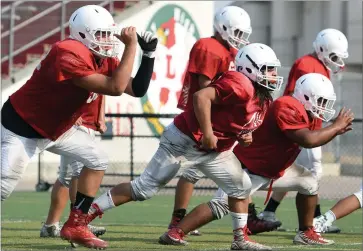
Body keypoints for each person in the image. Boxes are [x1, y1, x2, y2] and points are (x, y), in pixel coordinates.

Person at [85, 43, 283, 250]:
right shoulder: (240, 84)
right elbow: (201, 97)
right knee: (144, 189)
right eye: (267, 69)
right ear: (249, 68)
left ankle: (240, 239)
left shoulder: (261, 96)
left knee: (240, 187)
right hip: (184, 140)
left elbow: (236, 118)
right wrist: (207, 132)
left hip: (213, 150)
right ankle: (83, 216)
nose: (272, 74)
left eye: (273, 69)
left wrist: (244, 134)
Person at [1, 5, 158, 249]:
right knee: (3, 185)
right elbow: (115, 88)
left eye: (109, 34)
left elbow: (135, 89)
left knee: (97, 159)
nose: (107, 41)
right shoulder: (67, 51)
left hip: (57, 127)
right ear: (82, 35)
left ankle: (76, 224)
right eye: (101, 35)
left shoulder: (99, 57)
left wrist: (148, 55)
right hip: (23, 125)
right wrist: (131, 46)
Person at [159, 73, 353, 247]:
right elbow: (308, 140)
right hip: (249, 169)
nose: (324, 107)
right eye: (320, 100)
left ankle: (306, 232)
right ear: (306, 97)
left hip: (274, 171)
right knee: (222, 205)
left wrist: (334, 128)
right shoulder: (287, 106)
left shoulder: (306, 112)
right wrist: (336, 127)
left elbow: (312, 137)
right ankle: (175, 231)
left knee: (309, 182)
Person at [258, 28, 349, 234]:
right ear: (322, 49)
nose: (337, 61)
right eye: (334, 56)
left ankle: (269, 212)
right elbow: (298, 96)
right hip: (301, 128)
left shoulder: (319, 65)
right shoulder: (307, 65)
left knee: (298, 173)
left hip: (307, 126)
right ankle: (315, 219)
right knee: (312, 172)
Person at [40, 96, 107, 238]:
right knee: (79, 172)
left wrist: (100, 116)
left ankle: (50, 226)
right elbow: (65, 86)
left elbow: (102, 91)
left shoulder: (100, 74)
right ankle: (77, 225)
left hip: (86, 122)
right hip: (76, 124)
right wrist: (70, 112)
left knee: (66, 176)